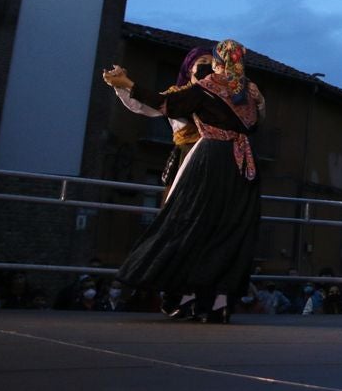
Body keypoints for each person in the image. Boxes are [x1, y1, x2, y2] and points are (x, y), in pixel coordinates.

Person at [102, 39, 265, 324]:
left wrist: (127, 81)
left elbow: (165, 104)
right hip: (244, 164)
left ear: (216, 62)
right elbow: (255, 124)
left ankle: (186, 296)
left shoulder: (206, 89)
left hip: (210, 158)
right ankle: (219, 302)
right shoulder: (249, 92)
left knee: (190, 220)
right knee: (232, 228)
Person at [113, 47, 212, 196]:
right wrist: (121, 85)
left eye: (212, 63)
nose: (207, 66)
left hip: (213, 157)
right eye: (203, 61)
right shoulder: (175, 95)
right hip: (187, 156)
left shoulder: (219, 97)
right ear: (190, 68)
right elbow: (143, 106)